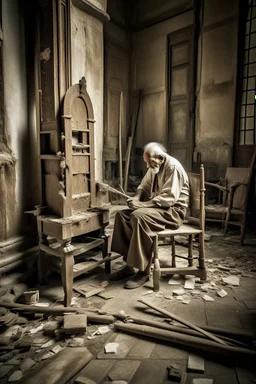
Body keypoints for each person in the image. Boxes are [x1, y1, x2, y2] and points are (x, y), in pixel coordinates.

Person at [109, 142, 190, 289]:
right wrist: (137, 198)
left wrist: (143, 205)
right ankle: (129, 265)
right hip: (159, 209)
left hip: (173, 211)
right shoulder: (154, 165)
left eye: (151, 162)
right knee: (121, 215)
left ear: (160, 157)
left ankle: (143, 271)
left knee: (139, 216)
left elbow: (168, 199)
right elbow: (144, 185)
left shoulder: (173, 167)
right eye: (147, 163)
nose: (149, 166)